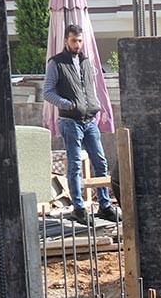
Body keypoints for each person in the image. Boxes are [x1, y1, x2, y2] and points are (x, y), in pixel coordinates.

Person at [45, 25, 119, 226]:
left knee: (100, 162)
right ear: (65, 41)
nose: (78, 44)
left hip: (89, 120)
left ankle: (104, 206)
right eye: (74, 41)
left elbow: (91, 88)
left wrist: (96, 106)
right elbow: (47, 92)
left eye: (80, 40)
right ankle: (79, 208)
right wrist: (68, 105)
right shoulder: (56, 63)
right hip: (70, 121)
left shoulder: (86, 61)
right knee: (75, 165)